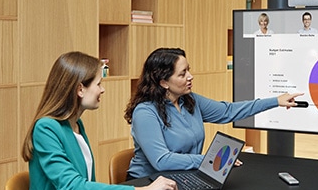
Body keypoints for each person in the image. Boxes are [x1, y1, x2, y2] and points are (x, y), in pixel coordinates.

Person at [21, 51, 179, 190]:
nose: (102, 90)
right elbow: (74, 188)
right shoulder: (46, 128)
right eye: (98, 84)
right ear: (80, 89)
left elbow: (85, 185)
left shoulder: (76, 124)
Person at [125, 47, 302, 179]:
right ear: (163, 82)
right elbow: (162, 161)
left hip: (181, 178)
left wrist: (275, 101)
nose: (190, 76)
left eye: (189, 69)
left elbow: (228, 111)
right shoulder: (145, 113)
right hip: (146, 184)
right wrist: (208, 160)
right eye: (182, 74)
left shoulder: (189, 100)